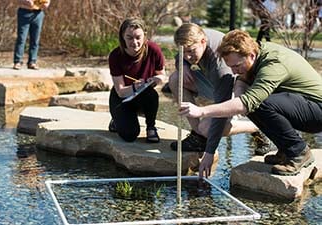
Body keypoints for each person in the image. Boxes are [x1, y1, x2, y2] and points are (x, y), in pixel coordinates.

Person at [179, 29, 322, 177]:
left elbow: (249, 101)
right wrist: (239, 92)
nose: (234, 72)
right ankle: (285, 150)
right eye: (231, 67)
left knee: (258, 103)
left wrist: (202, 111)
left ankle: (298, 151)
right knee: (251, 103)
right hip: (300, 104)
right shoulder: (256, 53)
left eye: (236, 66)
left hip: (317, 111)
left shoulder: (273, 64)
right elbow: (243, 82)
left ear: (251, 55)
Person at [168, 23, 269, 174]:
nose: (187, 56)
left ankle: (256, 127)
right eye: (184, 52)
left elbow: (221, 113)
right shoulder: (195, 36)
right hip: (214, 84)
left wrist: (209, 152)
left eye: (190, 52)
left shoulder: (220, 67)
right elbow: (180, 55)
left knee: (208, 127)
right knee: (176, 78)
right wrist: (183, 65)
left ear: (203, 41)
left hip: (238, 92)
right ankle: (198, 137)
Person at [108, 18, 166, 143]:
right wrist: (135, 87)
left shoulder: (154, 50)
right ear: (122, 37)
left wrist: (157, 79)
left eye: (138, 37)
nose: (134, 42)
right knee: (129, 135)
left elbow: (162, 75)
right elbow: (121, 92)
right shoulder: (115, 56)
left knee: (152, 95)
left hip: (144, 94)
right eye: (129, 37)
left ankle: (151, 127)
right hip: (122, 97)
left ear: (145, 36)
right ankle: (116, 120)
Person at [13, 0, 50, 70]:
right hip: (24, 12)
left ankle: (32, 62)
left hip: (38, 13)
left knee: (35, 39)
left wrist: (47, 3)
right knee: (21, 38)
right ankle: (17, 61)